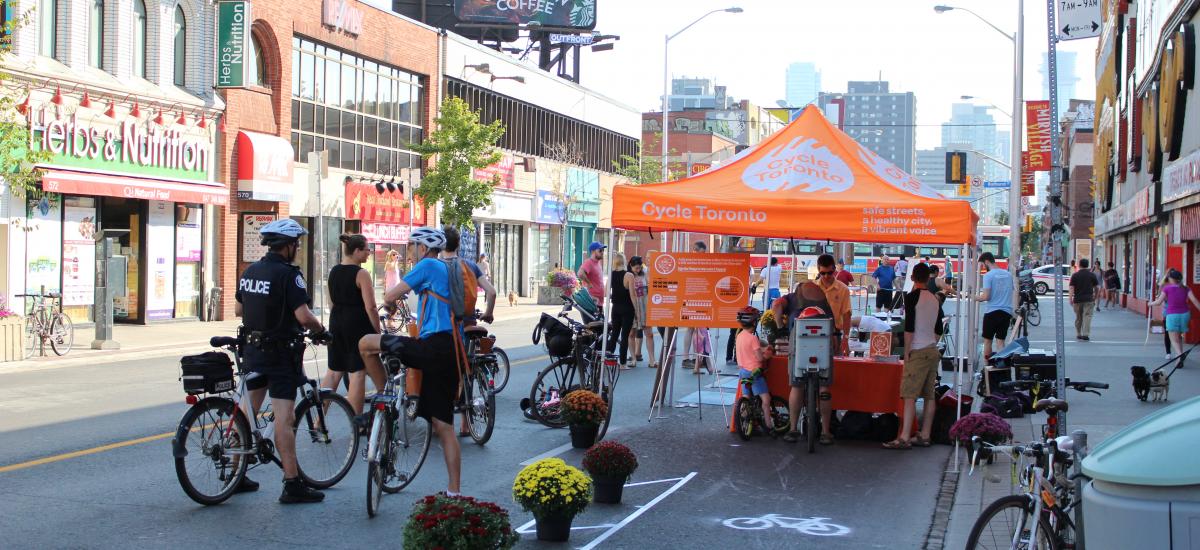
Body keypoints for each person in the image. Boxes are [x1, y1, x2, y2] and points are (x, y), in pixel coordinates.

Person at [358, 228, 463, 496]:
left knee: (366, 343)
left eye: (412, 246)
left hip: (432, 346)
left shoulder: (428, 264)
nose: (410, 251)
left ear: (424, 247)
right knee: (444, 425)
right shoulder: (451, 269)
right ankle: (454, 492)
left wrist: (390, 305)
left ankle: (382, 390)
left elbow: (391, 295)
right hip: (452, 349)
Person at [235, 219, 329, 503]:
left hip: (252, 351)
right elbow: (303, 316)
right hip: (280, 354)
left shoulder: (251, 270)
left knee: (246, 413)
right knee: (285, 420)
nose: (297, 248)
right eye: (296, 244)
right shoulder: (289, 275)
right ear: (287, 246)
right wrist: (320, 330)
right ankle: (291, 483)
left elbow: (240, 307)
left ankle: (234, 472)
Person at [884, 262, 944, 450]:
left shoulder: (911, 298)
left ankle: (903, 437)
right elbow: (938, 329)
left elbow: (909, 328)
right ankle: (925, 435)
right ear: (928, 278)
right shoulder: (935, 299)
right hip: (932, 350)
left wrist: (908, 352)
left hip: (917, 350)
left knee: (909, 395)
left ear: (912, 278)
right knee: (929, 395)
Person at [323, 234, 382, 418]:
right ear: (356, 251)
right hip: (357, 323)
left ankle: (319, 418)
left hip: (336, 320)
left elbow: (330, 302)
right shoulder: (361, 273)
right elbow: (371, 307)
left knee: (334, 370)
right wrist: (377, 330)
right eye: (366, 250)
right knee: (357, 371)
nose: (368, 254)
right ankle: (356, 419)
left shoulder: (333, 271)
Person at [773, 279, 837, 446]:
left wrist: (780, 326)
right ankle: (825, 432)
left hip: (799, 336)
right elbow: (835, 329)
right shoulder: (824, 301)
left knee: (796, 384)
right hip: (824, 337)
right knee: (824, 386)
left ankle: (793, 429)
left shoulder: (792, 298)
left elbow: (776, 305)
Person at [735, 306, 775, 430]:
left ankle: (743, 422)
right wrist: (766, 356)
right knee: (766, 398)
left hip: (743, 371)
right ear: (754, 322)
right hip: (754, 372)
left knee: (746, 397)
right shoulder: (753, 338)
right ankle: (769, 424)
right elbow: (759, 358)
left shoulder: (739, 336)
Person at [1149, 269, 1200, 365]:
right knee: (1179, 337)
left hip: (1172, 315)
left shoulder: (1167, 288)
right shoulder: (1186, 288)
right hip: (1185, 315)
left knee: (1173, 339)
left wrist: (1150, 303)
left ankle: (1180, 355)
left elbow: (1159, 302)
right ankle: (1179, 360)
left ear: (1172, 279)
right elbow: (1194, 300)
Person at [975, 252, 1013, 360]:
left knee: (988, 341)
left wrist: (973, 297)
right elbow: (1013, 293)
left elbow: (986, 297)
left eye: (983, 265)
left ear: (987, 262)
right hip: (1006, 312)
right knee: (1001, 342)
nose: (983, 267)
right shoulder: (1008, 274)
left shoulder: (988, 276)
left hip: (992, 312)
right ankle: (1001, 367)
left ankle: (988, 369)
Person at [606, 253, 636, 369]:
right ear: (624, 261)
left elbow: (606, 293)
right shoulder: (629, 275)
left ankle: (608, 358)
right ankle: (622, 363)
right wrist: (637, 310)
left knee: (614, 334)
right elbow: (633, 295)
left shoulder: (611, 275)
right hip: (627, 308)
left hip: (615, 308)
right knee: (624, 336)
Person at [628, 256, 659, 369]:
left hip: (645, 306)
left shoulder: (645, 274)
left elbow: (651, 287)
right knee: (631, 333)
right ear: (630, 266)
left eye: (640, 267)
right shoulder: (628, 275)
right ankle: (633, 358)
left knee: (649, 334)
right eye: (636, 268)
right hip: (632, 307)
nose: (638, 270)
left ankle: (652, 359)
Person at [1068, 258, 1100, 341]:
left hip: (1077, 299)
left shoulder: (1075, 275)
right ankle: (1085, 334)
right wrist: (1095, 296)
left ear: (1079, 264)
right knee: (1087, 316)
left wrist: (1070, 298)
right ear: (1087, 265)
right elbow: (1097, 287)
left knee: (1078, 317)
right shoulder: (1092, 275)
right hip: (1089, 299)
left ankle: (1078, 333)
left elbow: (1071, 288)